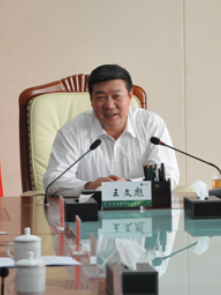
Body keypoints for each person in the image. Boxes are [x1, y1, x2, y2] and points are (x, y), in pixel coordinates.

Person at [43, 64, 180, 197]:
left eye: (116, 96)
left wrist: (129, 185)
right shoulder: (71, 131)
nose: (109, 105)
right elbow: (53, 181)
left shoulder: (151, 125)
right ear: (91, 100)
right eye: (101, 97)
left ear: (130, 97)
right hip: (90, 210)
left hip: (142, 209)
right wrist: (91, 186)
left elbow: (168, 176)